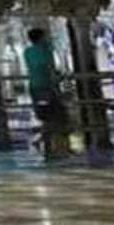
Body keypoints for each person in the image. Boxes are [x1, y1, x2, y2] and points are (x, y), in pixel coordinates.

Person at [24, 28, 70, 160]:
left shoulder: (27, 52)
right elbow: (50, 69)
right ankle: (46, 144)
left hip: (34, 87)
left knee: (46, 116)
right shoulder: (46, 50)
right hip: (46, 87)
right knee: (56, 116)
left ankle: (49, 148)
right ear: (41, 38)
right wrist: (57, 86)